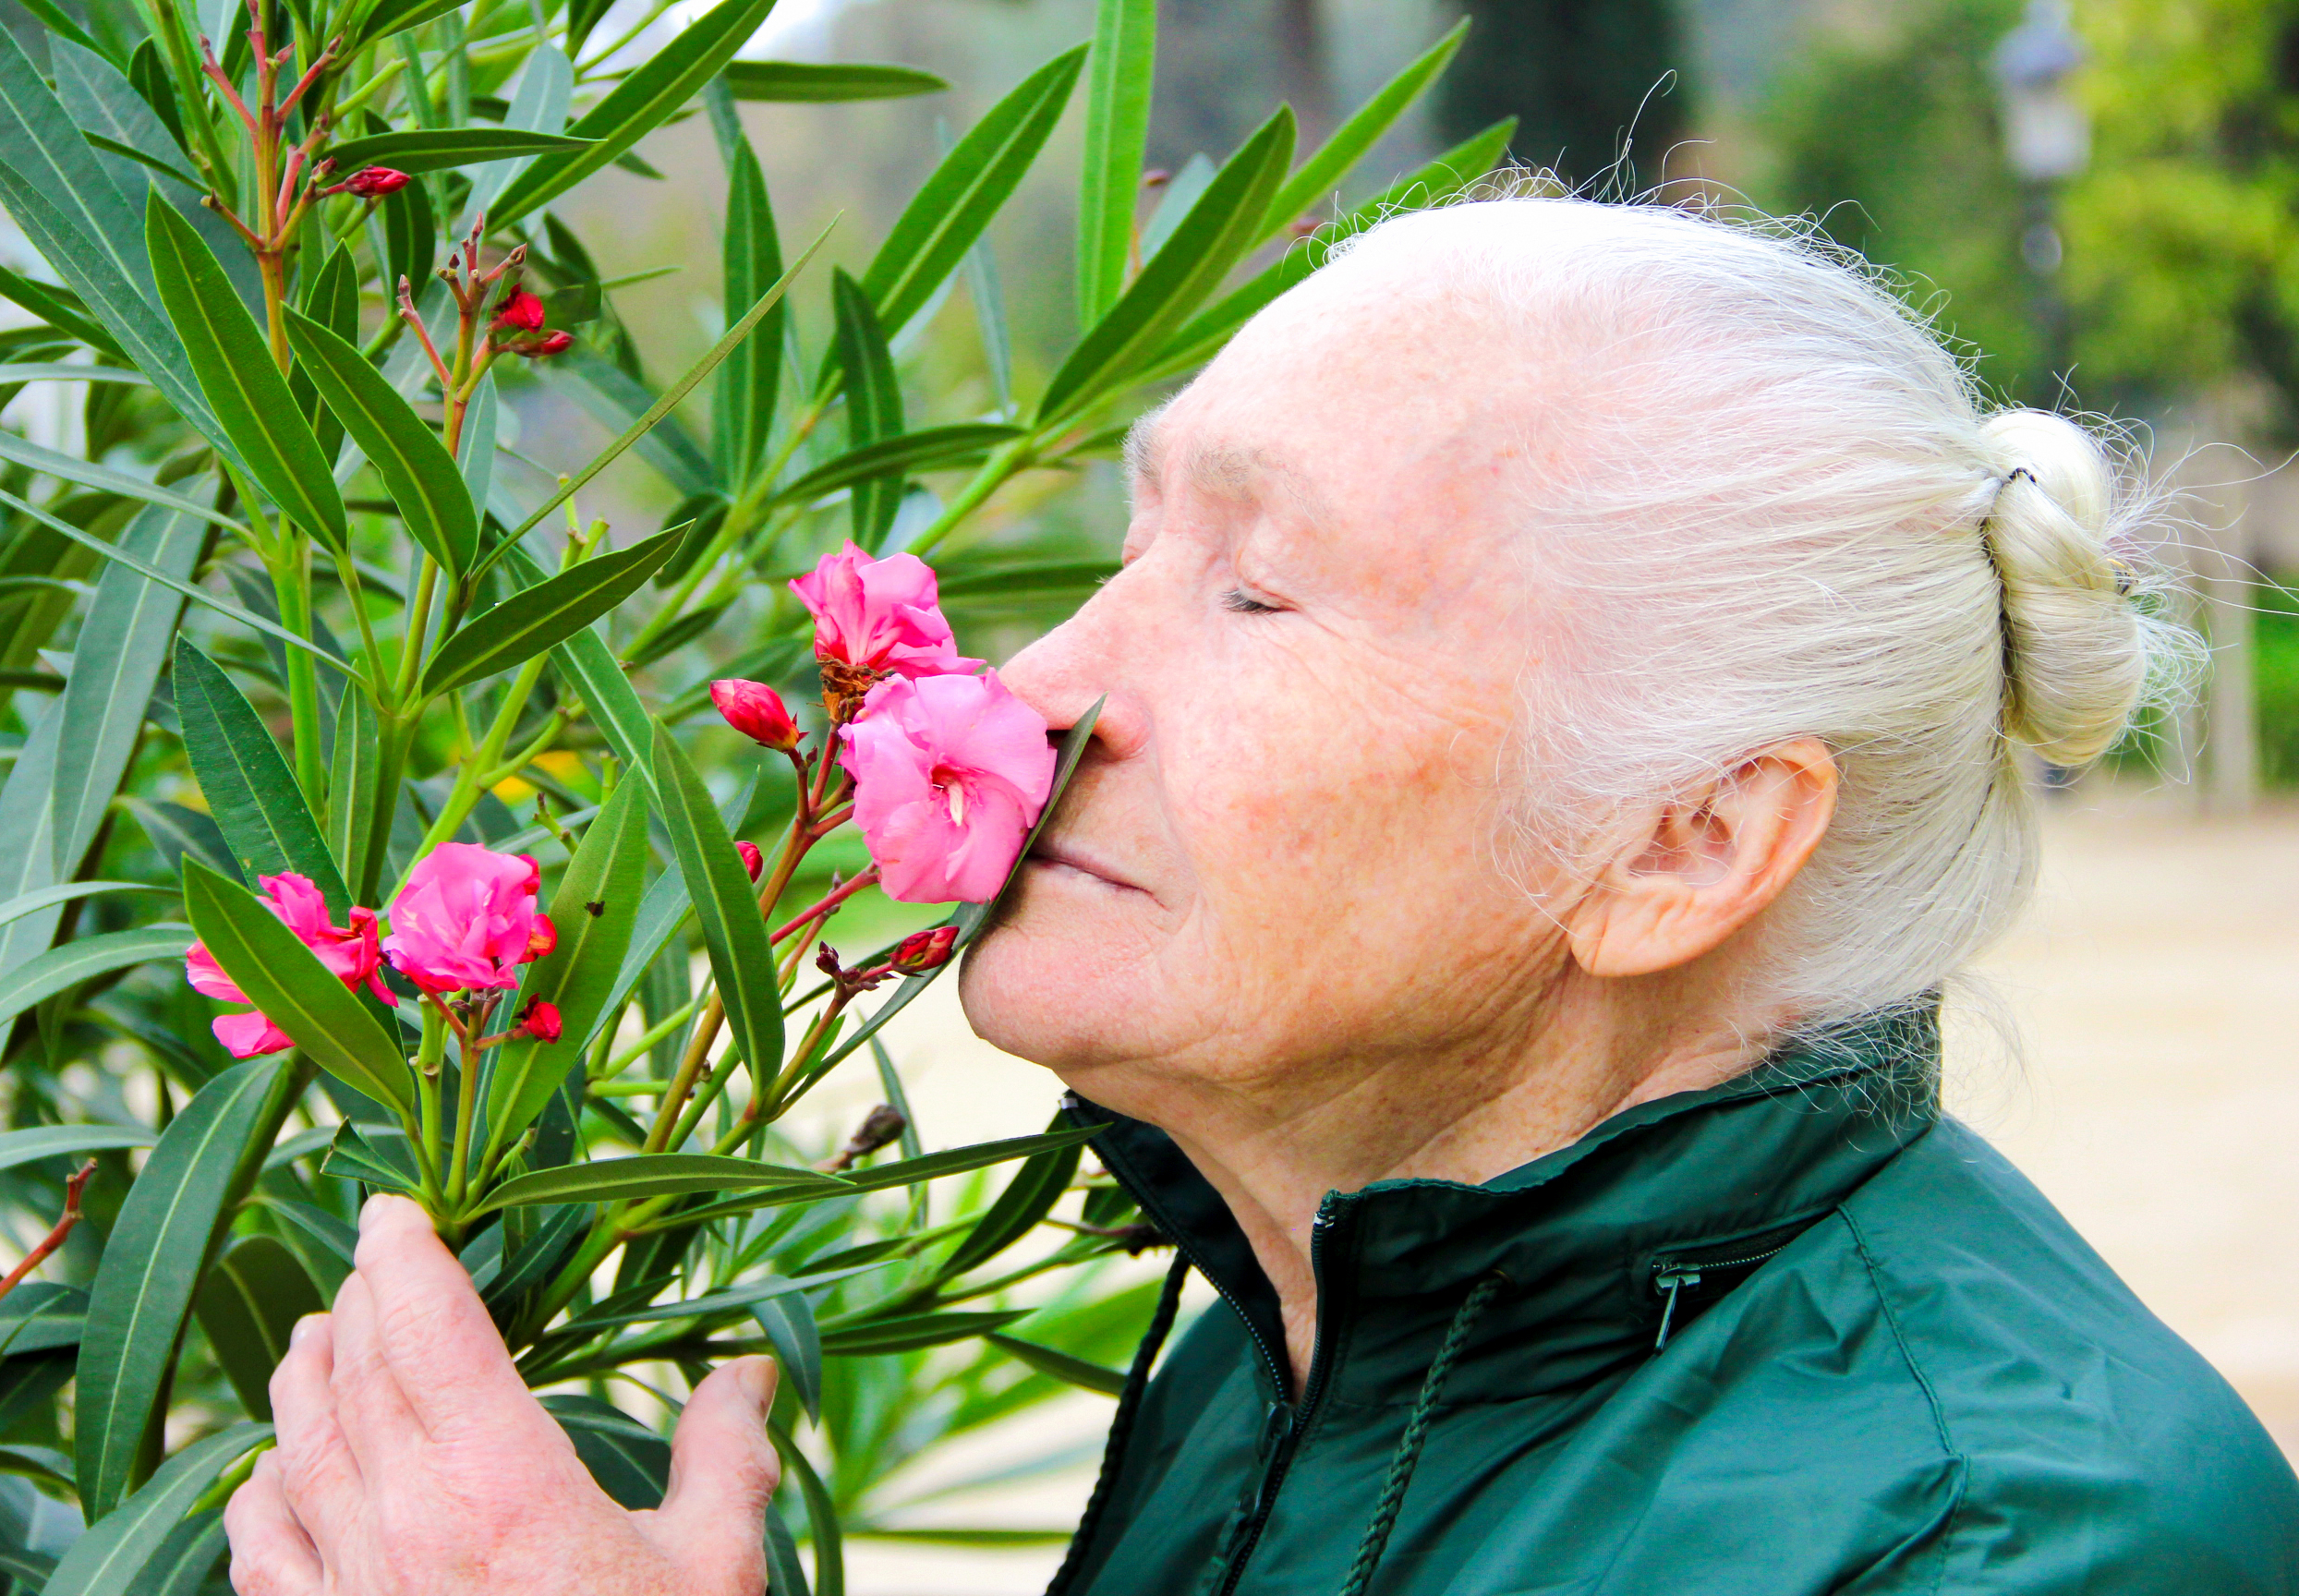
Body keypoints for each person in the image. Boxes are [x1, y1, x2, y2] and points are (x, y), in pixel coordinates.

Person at [225, 195, 2299, 1596]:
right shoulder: (1314, 1320)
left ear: (1682, 846)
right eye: (1135, 541)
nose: (1036, 691)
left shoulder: (2012, 1551)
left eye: (1253, 587)